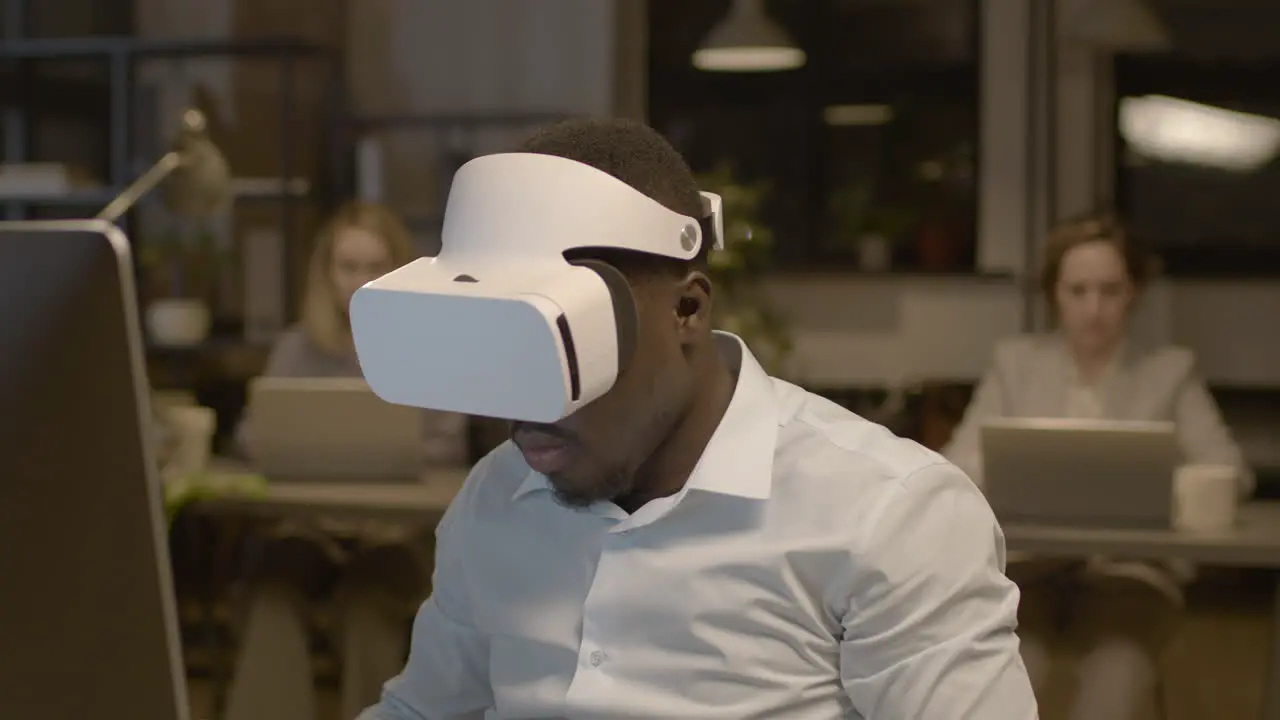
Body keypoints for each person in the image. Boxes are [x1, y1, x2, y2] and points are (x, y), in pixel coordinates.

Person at [357, 118, 1037, 719]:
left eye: (562, 350)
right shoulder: (496, 498)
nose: (523, 411)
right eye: (505, 349)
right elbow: (422, 708)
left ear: (688, 310)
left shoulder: (888, 516)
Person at [942, 212, 1253, 720]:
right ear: (1054, 294)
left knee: (1111, 685)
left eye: (1110, 290)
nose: (1094, 308)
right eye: (1078, 290)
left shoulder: (1170, 372)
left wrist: (1161, 488)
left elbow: (1230, 472)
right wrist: (1007, 468)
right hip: (1028, 572)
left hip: (1132, 574)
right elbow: (954, 467)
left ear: (1133, 292)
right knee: (1006, 683)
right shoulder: (1014, 364)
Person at [226, 201, 468, 720]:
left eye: (375, 266)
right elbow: (252, 437)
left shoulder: (434, 345)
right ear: (326, 273)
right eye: (349, 267)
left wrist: (381, 458)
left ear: (399, 270)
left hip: (398, 534)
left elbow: (450, 444)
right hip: (306, 528)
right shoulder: (296, 346)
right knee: (271, 594)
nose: (362, 279)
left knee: (367, 604)